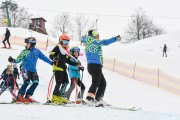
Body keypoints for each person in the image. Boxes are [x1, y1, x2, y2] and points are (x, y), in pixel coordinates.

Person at [8, 37, 52, 102]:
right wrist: (13, 60)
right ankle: (20, 95)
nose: (26, 45)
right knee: (27, 82)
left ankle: (28, 95)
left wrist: (52, 63)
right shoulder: (24, 51)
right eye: (26, 43)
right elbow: (18, 59)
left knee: (36, 82)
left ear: (32, 44)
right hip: (25, 70)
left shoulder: (37, 51)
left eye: (28, 43)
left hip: (33, 70)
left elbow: (44, 58)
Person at [84, 30, 121, 106]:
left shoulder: (89, 43)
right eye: (97, 35)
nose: (99, 37)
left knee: (102, 83)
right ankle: (89, 98)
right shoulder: (94, 42)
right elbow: (105, 42)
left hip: (92, 66)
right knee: (96, 82)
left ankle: (98, 99)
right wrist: (115, 39)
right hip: (95, 65)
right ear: (93, 36)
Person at [49, 34, 78, 104]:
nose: (66, 44)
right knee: (59, 82)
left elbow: (67, 61)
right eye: (64, 42)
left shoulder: (66, 51)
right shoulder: (57, 48)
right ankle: (54, 96)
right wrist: (54, 58)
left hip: (63, 68)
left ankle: (61, 96)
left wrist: (77, 64)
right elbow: (51, 55)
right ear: (60, 41)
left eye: (67, 42)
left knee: (66, 82)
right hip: (57, 67)